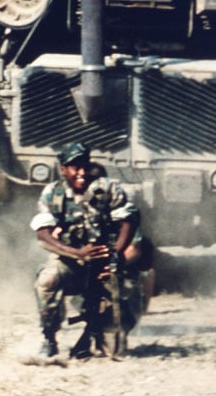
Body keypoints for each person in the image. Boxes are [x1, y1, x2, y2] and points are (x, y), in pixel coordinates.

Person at [30, 142, 146, 359]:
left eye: (84, 165)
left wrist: (114, 257)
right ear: (63, 169)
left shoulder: (109, 189)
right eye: (74, 167)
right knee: (47, 279)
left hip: (106, 268)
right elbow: (42, 234)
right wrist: (76, 253)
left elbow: (128, 223)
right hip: (72, 263)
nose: (81, 172)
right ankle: (49, 338)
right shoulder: (52, 193)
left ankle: (98, 330)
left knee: (113, 351)